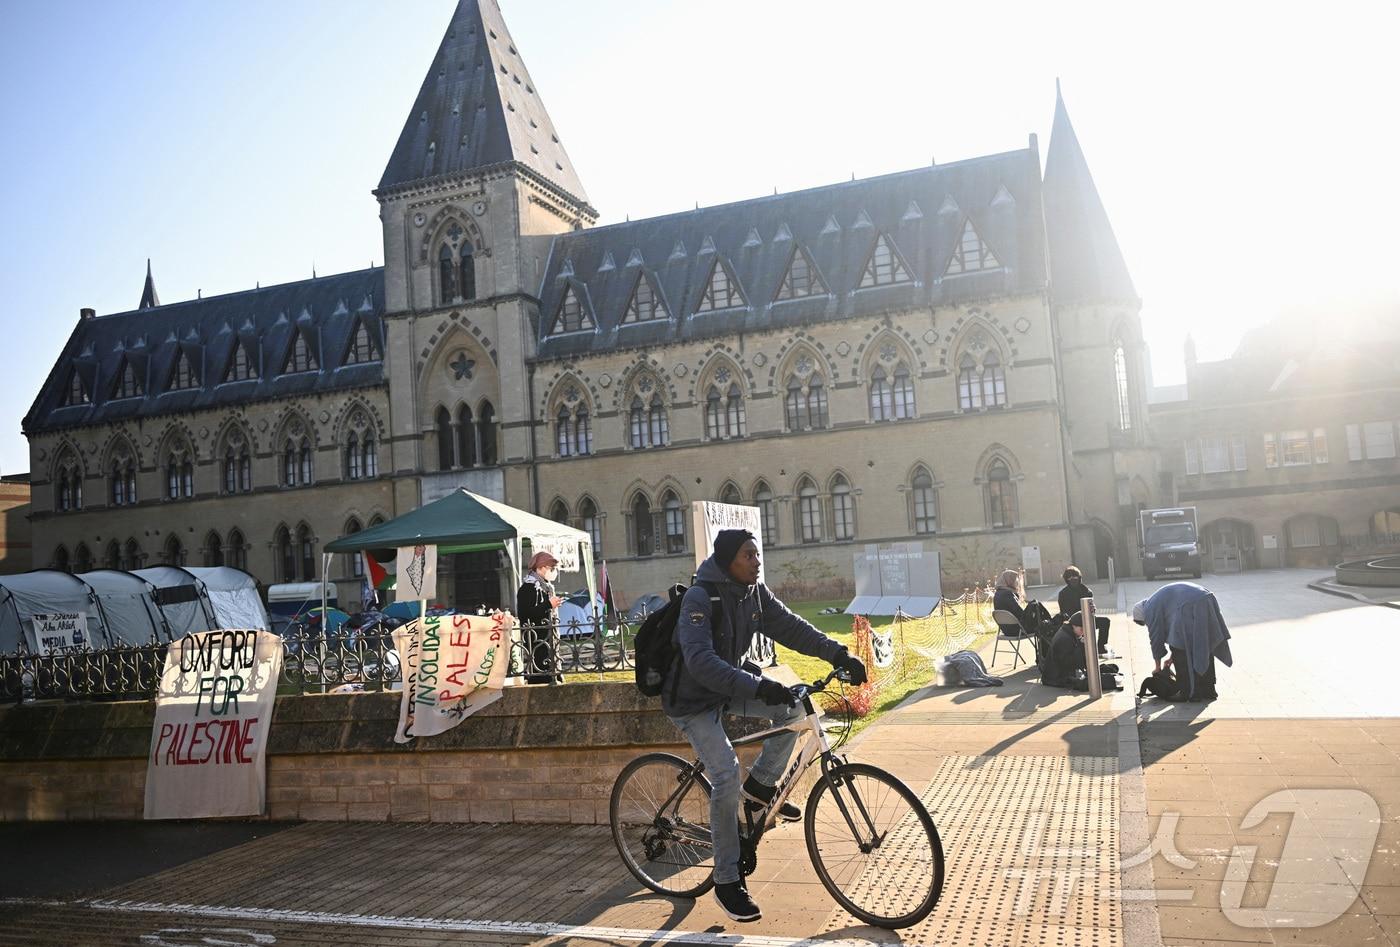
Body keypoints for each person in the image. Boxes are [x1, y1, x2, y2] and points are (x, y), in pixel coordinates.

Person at [665, 529, 867, 923]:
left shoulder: (754, 592)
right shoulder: (700, 598)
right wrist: (759, 685)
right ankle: (726, 881)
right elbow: (700, 662)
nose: (757, 561)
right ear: (728, 561)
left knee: (793, 710)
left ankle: (757, 791)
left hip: (727, 687)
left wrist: (838, 654)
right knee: (724, 773)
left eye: (757, 554)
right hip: (692, 700)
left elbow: (792, 627)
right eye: (748, 555)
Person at [1132, 581, 1232, 701]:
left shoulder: (1149, 609)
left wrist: (1157, 667)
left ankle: (1187, 692)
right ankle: (1208, 690)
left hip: (1191, 603)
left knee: (1180, 650)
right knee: (1204, 645)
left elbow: (1156, 639)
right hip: (1206, 597)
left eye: (1144, 622)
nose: (1147, 624)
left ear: (1142, 615)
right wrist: (1171, 659)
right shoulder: (1156, 601)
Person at [515, 551, 564, 684]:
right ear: (541, 568)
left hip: (548, 638)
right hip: (536, 640)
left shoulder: (545, 587)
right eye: (551, 568)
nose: (554, 572)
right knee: (541, 677)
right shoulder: (528, 588)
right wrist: (548, 604)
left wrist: (552, 605)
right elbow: (526, 614)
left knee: (553, 674)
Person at [1055, 566, 1115, 658]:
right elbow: (1063, 611)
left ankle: (1100, 646)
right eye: (1070, 578)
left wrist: (1092, 610)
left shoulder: (1086, 591)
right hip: (1073, 622)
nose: (1073, 579)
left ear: (1079, 577)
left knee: (1105, 621)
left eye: (1075, 577)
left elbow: (1091, 608)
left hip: (1087, 619)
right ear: (1066, 580)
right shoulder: (1063, 594)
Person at [993, 569, 1042, 637]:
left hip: (1006, 630)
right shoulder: (1007, 594)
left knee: (1034, 606)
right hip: (1018, 630)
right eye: (1014, 580)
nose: (1016, 582)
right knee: (1036, 606)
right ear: (1009, 580)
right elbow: (1020, 613)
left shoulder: (998, 593)